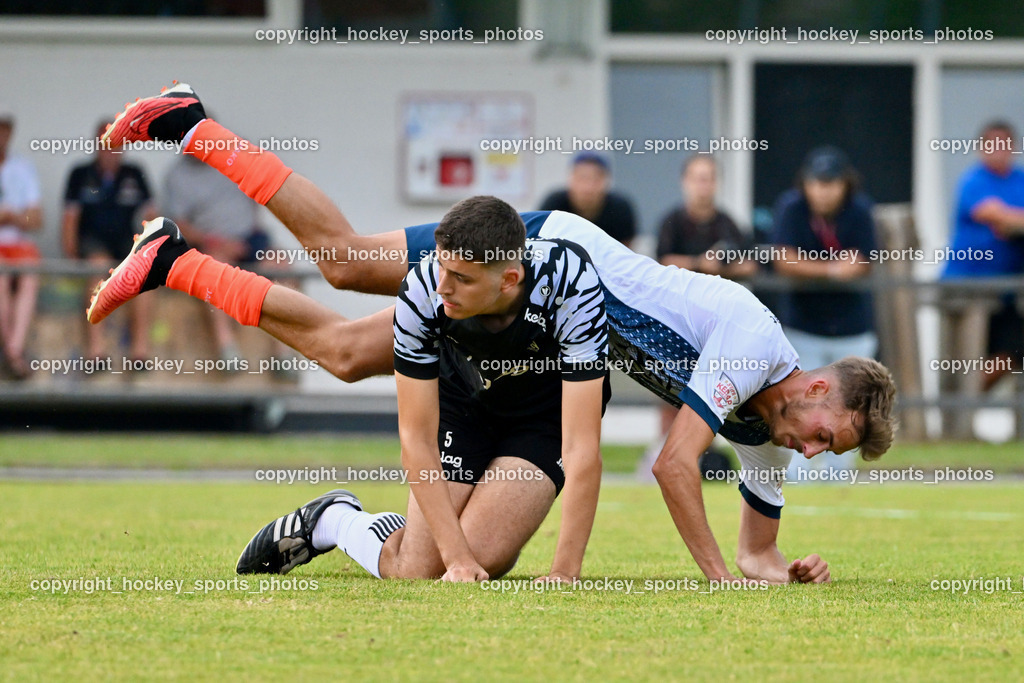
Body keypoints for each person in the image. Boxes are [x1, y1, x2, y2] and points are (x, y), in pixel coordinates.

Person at [93, 83, 899, 585]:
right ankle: (193, 124)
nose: (815, 451)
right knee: (343, 262)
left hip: (547, 346)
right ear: (817, 386)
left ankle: (174, 261)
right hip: (549, 259)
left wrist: (785, 570)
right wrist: (719, 580)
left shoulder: (768, 436)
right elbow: (675, 463)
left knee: (342, 353)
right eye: (829, 435)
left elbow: (758, 554)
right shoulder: (754, 340)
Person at [640, 155, 757, 480]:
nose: (703, 185)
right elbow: (662, 262)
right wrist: (699, 263)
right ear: (685, 182)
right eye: (697, 178)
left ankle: (707, 460)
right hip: (677, 324)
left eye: (709, 178)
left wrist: (723, 265)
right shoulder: (673, 221)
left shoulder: (728, 223)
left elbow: (751, 263)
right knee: (670, 392)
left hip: (717, 329)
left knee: (715, 395)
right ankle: (663, 458)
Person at [771, 146, 879, 480]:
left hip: (852, 327)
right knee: (802, 404)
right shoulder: (791, 207)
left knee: (850, 404)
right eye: (817, 182)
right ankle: (798, 475)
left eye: (831, 183)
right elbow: (784, 260)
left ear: (845, 184)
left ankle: (839, 477)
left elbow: (862, 263)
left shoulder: (860, 209)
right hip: (803, 326)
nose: (823, 190)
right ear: (805, 183)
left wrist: (812, 267)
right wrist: (832, 270)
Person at [163, 152, 279, 365]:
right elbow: (179, 225)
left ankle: (283, 353)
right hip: (210, 244)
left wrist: (251, 230)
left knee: (279, 263)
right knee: (213, 269)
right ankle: (227, 348)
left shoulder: (237, 156)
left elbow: (258, 192)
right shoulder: (178, 176)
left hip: (249, 240)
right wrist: (216, 241)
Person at [62, 121, 157, 363]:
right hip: (91, 241)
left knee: (143, 272)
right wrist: (71, 257)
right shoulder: (80, 174)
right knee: (98, 265)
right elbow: (70, 220)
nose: (111, 150)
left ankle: (140, 352)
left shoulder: (134, 173)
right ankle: (96, 351)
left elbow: (152, 215)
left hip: (124, 240)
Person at [941, 120, 1024, 391]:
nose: (999, 151)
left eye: (1004, 145)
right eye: (992, 145)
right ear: (981, 148)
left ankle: (968, 393)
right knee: (965, 354)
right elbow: (992, 213)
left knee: (1014, 350)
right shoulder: (973, 181)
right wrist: (1010, 220)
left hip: (1006, 292)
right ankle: (961, 397)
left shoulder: (1020, 180)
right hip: (966, 288)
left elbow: (1007, 220)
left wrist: (1011, 221)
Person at [0, 105, 43, 380]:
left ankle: (12, 351)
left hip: (17, 246)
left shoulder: (22, 168)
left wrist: (13, 217)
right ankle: (14, 354)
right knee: (1, 279)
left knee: (30, 274)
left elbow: (35, 219)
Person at [539, 152, 637, 248]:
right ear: (571, 179)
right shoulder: (554, 206)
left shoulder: (620, 209)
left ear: (606, 181)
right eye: (582, 178)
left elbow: (625, 251)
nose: (588, 187)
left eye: (595, 179)